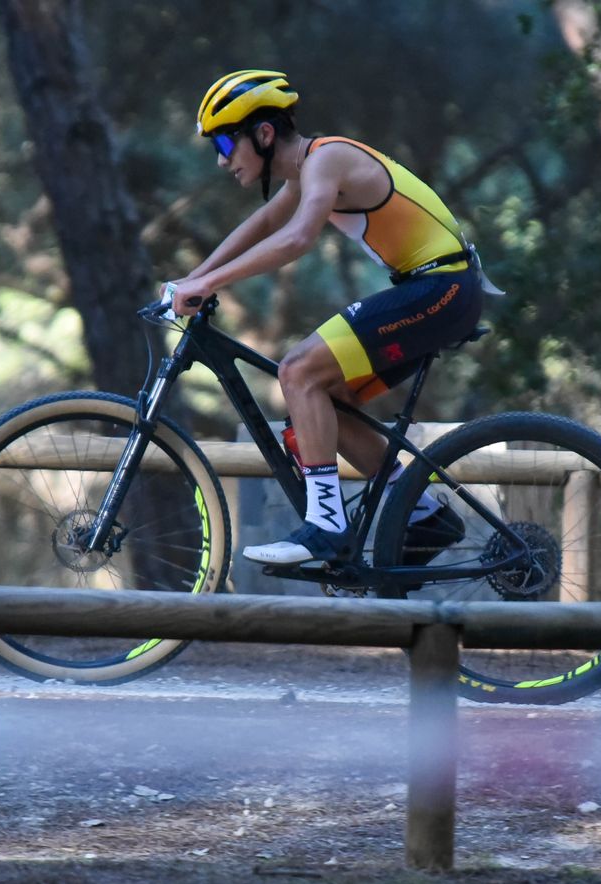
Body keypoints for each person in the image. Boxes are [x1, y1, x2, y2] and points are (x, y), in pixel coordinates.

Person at [165, 69, 488, 565]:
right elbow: (264, 222)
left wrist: (208, 285)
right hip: (437, 288)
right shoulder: (304, 170)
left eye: (226, 141)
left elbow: (296, 239)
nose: (220, 158)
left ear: (265, 133)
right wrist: (191, 277)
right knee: (323, 404)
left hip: (441, 285)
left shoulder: (327, 158)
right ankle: (425, 516)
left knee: (298, 370)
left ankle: (325, 526)